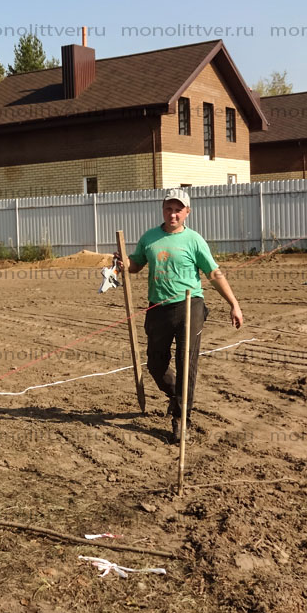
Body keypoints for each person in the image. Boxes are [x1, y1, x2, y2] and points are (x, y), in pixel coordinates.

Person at [118, 188, 243, 443]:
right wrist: (124, 264)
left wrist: (234, 303)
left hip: (190, 305)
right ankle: (177, 397)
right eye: (168, 209)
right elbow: (136, 265)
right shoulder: (150, 237)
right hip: (157, 308)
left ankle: (181, 418)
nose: (173, 214)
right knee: (155, 364)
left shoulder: (194, 240)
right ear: (162, 210)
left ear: (187, 212)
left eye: (178, 210)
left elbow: (214, 273)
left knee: (186, 364)